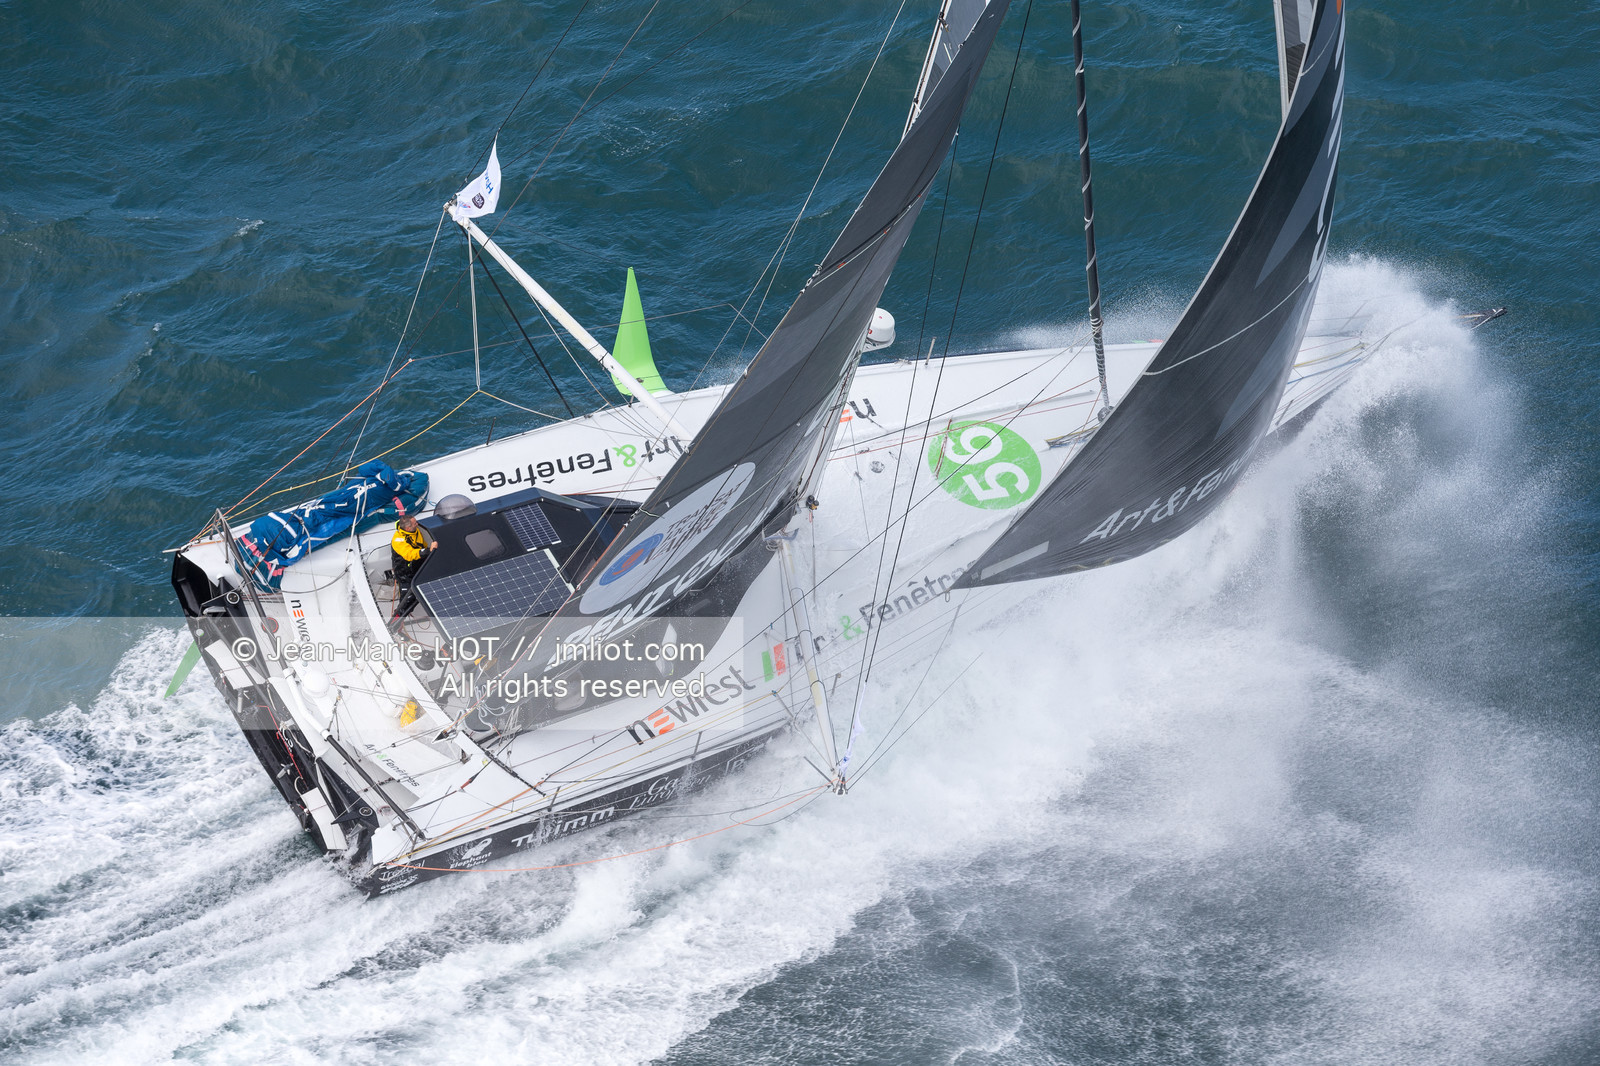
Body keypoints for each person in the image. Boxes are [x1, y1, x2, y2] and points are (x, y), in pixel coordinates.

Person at [389, 513, 432, 624]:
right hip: (405, 573)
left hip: (416, 566)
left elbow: (422, 544)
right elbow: (409, 554)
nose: (417, 524)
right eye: (415, 523)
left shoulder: (415, 531)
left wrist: (427, 551)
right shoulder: (398, 540)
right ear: (408, 528)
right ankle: (395, 623)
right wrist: (427, 551)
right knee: (406, 601)